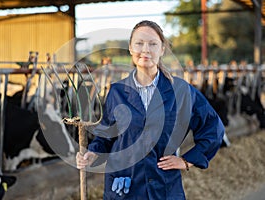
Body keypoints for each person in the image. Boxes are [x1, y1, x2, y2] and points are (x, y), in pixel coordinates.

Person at [76, 20, 224, 200]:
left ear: (162, 49)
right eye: (139, 43)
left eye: (153, 44)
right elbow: (107, 135)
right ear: (130, 48)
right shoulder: (117, 91)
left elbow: (213, 128)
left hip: (164, 186)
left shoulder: (181, 92)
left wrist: (187, 161)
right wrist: (93, 153)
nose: (145, 50)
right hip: (124, 185)